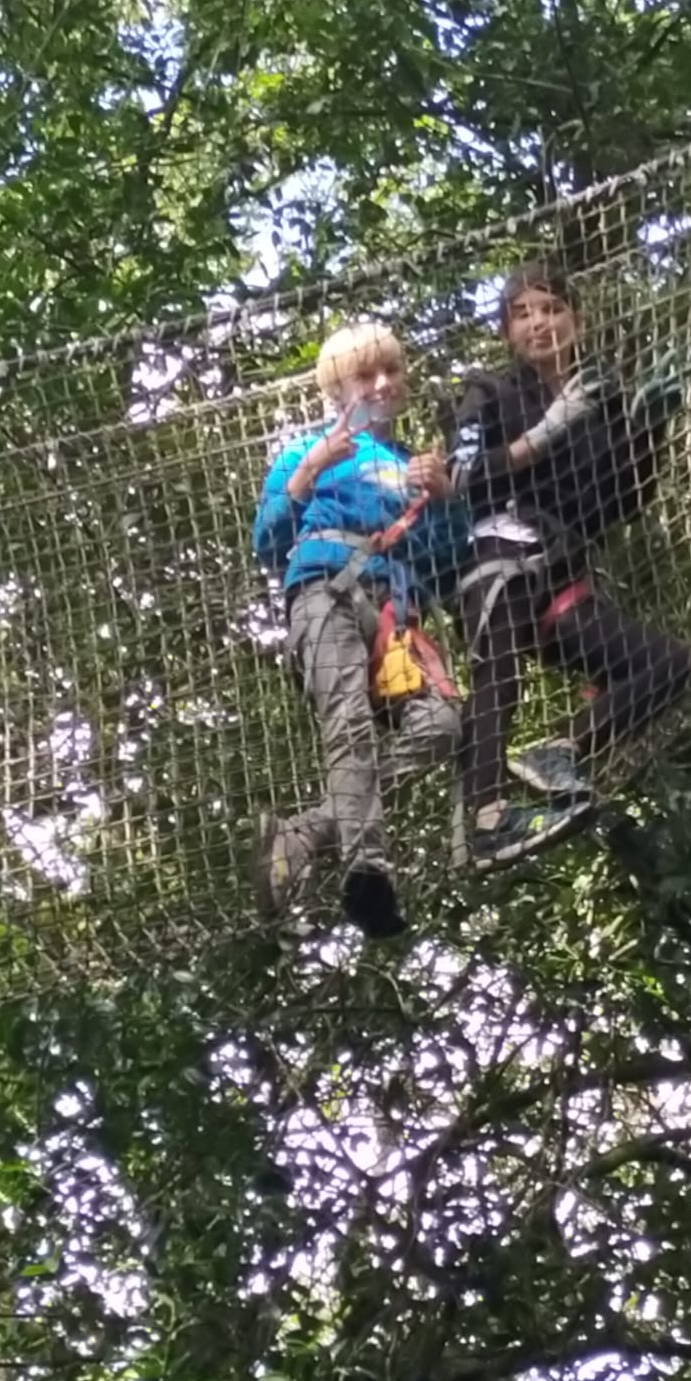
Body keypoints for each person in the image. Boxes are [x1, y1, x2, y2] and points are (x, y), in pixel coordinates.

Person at [449, 260, 691, 864]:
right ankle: (484, 818)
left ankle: (563, 748)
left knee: (672, 665)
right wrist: (549, 429)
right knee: (497, 674)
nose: (540, 323)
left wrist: (647, 431)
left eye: (552, 309)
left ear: (575, 320)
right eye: (523, 313)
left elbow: (620, 500)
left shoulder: (600, 399)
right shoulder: (489, 392)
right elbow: (462, 476)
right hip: (495, 555)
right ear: (508, 332)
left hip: (561, 573)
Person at [251, 320, 469, 938]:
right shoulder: (308, 451)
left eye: (390, 371)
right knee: (347, 722)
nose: (380, 384)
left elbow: (450, 559)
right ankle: (367, 872)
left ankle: (308, 831)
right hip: (325, 590)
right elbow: (267, 542)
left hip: (396, 617)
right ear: (335, 391)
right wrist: (309, 470)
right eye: (363, 375)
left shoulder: (417, 467)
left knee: (442, 724)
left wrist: (448, 497)